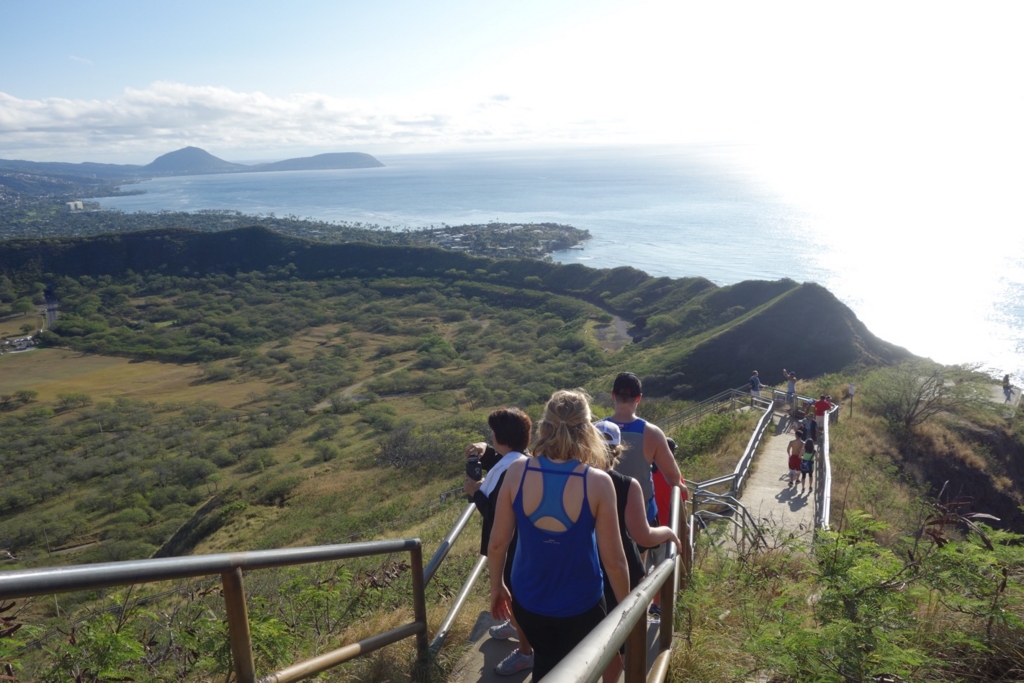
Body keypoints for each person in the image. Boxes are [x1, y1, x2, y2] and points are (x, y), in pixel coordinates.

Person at [488, 390, 630, 681]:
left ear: (544, 427)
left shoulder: (517, 472)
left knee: (548, 664)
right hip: (582, 605)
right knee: (597, 666)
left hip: (527, 601)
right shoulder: (598, 482)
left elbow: (498, 543)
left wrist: (497, 587)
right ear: (588, 430)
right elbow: (614, 561)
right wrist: (629, 609)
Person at [594, 420, 681, 683]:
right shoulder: (625, 484)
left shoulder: (580, 478)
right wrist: (668, 532)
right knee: (621, 635)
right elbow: (642, 535)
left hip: (588, 566)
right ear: (619, 449)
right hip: (624, 566)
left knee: (593, 633)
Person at [464, 407, 534, 675]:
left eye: (491, 433)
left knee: (512, 593)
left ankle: (526, 652)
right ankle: (515, 625)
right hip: (519, 543)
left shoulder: (508, 470)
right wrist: (485, 449)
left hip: (510, 546)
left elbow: (498, 515)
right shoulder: (522, 460)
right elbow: (505, 462)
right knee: (514, 592)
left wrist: (475, 493)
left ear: (500, 437)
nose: (490, 436)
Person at [604, 373, 683, 527]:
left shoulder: (594, 430)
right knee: (640, 550)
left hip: (603, 512)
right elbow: (673, 476)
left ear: (613, 395)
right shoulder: (652, 432)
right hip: (641, 514)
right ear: (639, 398)